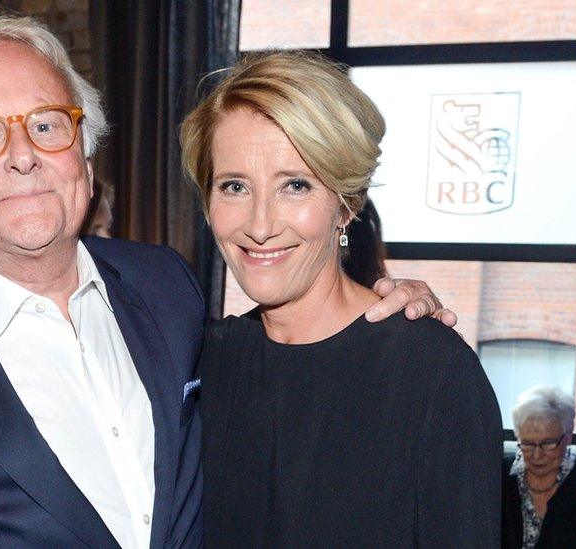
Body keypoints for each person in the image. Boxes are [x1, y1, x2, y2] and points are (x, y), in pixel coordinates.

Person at [0, 16, 452, 548]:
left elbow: (267, 374)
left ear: (84, 154)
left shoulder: (164, 282)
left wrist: (375, 315)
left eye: (47, 124)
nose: (22, 155)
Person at [181, 51, 503, 547]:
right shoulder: (203, 364)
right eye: (234, 186)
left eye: (295, 185)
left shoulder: (431, 372)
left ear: (346, 204)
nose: (260, 225)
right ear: (208, 203)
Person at [502, 385, 576, 548]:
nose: (537, 455)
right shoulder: (499, 476)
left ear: (569, 436)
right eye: (527, 443)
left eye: (548, 443)